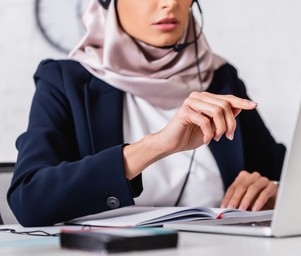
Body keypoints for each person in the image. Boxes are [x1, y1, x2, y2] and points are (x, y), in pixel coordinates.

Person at [8, 0, 286, 227]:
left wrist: (272, 189)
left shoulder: (220, 78)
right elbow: (29, 200)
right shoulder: (65, 81)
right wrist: (158, 144)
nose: (170, 4)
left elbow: (287, 173)